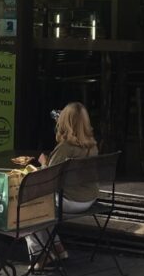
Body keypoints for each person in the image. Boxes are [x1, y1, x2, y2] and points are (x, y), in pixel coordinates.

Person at [28, 102, 99, 264]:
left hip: (71, 201)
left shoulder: (66, 147)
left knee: (27, 204)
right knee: (45, 205)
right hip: (89, 198)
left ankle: (40, 253)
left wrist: (44, 162)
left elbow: (48, 178)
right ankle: (57, 246)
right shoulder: (92, 144)